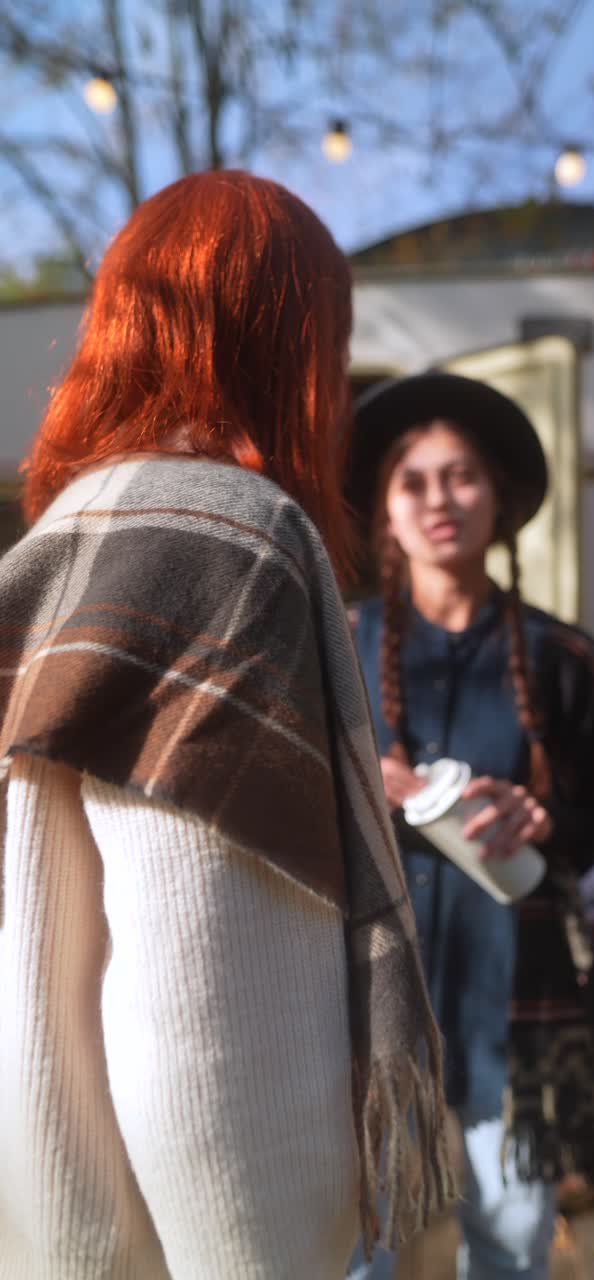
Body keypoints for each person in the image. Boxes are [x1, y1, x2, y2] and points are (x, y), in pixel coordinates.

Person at [0, 174, 455, 1279]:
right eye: (330, 345)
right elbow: (203, 993)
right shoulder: (233, 541)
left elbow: (35, 965)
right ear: (286, 345)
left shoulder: (54, 545)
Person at [345, 371, 594, 1280]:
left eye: (461, 475)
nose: (439, 499)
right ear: (385, 510)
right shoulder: (335, 652)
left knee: (510, 1249)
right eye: (414, 479)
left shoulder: (567, 661)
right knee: (351, 1255)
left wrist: (545, 818)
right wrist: (359, 789)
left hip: (512, 1012)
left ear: (501, 501)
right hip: (360, 1012)